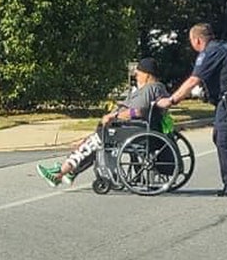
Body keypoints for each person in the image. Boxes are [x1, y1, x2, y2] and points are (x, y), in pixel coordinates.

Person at [157, 23, 227, 196]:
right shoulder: (220, 47)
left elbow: (193, 80)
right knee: (221, 137)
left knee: (226, 139)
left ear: (196, 40)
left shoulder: (211, 52)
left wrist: (172, 100)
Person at [36, 57, 169, 187]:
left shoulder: (149, 89)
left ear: (146, 74)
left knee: (96, 141)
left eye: (138, 74)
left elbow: (138, 111)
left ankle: (60, 173)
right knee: (95, 140)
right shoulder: (158, 88)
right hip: (139, 130)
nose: (136, 76)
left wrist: (114, 116)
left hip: (133, 130)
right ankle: (71, 170)